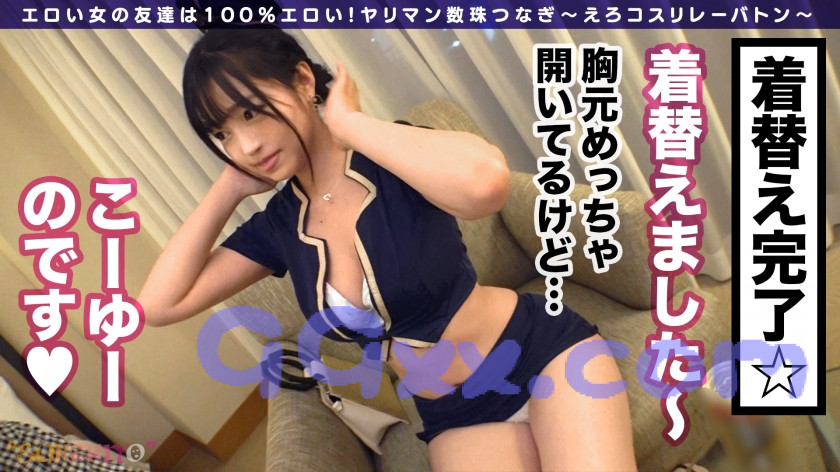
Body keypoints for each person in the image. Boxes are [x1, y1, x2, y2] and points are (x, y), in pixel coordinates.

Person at [138, 29, 636, 471]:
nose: (245, 144)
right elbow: (160, 305)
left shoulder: (389, 156)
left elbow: (487, 185)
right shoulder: (278, 227)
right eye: (222, 133)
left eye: (250, 112)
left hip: (537, 353)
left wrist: (349, 124)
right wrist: (229, 185)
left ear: (302, 81)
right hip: (455, 412)